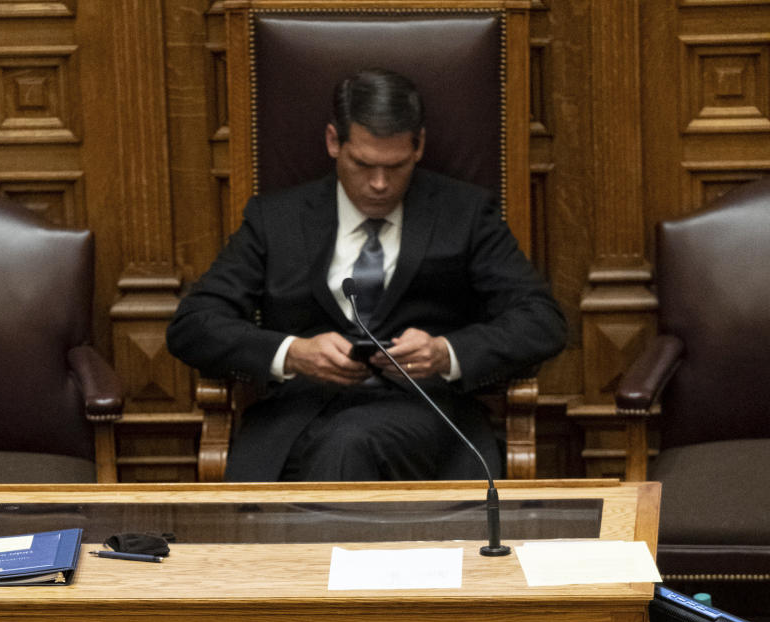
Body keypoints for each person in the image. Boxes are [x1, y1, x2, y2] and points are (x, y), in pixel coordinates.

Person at [166, 68, 567, 486]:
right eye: (363, 165)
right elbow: (193, 326)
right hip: (299, 418)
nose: (379, 185)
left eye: (395, 167)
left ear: (419, 146)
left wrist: (446, 352)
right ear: (333, 142)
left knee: (348, 443)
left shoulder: (463, 214)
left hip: (425, 415)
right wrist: (294, 353)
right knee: (338, 444)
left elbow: (541, 320)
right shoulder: (276, 220)